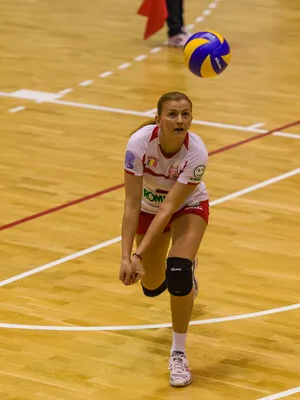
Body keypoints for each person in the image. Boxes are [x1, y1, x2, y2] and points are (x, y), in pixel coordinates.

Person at [119, 91, 210, 388]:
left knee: (179, 271)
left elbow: (170, 207)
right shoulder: (138, 145)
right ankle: (181, 262)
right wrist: (126, 257)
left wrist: (139, 254)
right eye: (172, 114)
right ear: (158, 119)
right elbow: (131, 204)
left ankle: (179, 354)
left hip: (187, 207)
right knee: (152, 285)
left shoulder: (197, 152)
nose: (180, 119)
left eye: (185, 114)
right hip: (147, 209)